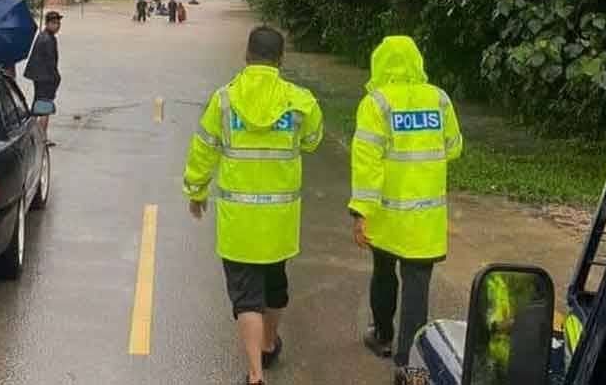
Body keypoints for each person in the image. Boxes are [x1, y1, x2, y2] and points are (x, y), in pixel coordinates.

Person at [184, 26, 324, 385]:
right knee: (275, 285)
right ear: (281, 58)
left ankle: (255, 374)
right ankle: (269, 343)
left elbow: (204, 149)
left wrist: (196, 191)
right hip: (279, 218)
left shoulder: (224, 100)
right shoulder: (300, 101)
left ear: (247, 55)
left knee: (246, 297)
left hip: (239, 220)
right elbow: (312, 141)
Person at [349, 36, 463, 374]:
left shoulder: (376, 102)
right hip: (425, 217)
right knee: (417, 287)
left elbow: (367, 163)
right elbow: (454, 147)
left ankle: (382, 335)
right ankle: (409, 363)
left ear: (379, 63)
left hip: (387, 215)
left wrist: (361, 212)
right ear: (417, 61)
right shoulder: (439, 99)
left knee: (384, 273)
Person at [24, 11, 63, 144]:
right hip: (45, 78)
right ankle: (42, 137)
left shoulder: (44, 36)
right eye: (54, 23)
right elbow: (51, 62)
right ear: (47, 24)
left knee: (38, 105)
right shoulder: (47, 39)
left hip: (39, 76)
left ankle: (31, 133)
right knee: (45, 106)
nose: (57, 26)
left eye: (58, 23)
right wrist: (56, 78)